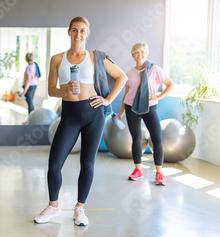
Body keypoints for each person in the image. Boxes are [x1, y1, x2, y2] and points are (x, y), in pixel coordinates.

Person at [33, 16, 127, 226]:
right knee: (55, 162)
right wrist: (63, 90)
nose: (78, 34)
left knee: (87, 163)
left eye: (82, 30)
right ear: (69, 32)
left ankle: (79, 209)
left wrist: (107, 99)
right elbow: (50, 89)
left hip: (93, 115)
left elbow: (122, 77)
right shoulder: (58, 59)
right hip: (69, 115)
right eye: (74, 30)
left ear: (87, 33)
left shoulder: (96, 57)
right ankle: (53, 206)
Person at [117, 42, 174, 185]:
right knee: (136, 138)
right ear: (132, 54)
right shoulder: (129, 73)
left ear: (146, 53)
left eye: (141, 52)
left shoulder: (154, 69)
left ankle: (159, 173)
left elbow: (170, 84)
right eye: (135, 52)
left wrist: (158, 97)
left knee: (157, 138)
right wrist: (121, 112)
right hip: (131, 108)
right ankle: (138, 170)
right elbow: (127, 94)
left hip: (150, 107)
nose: (138, 55)